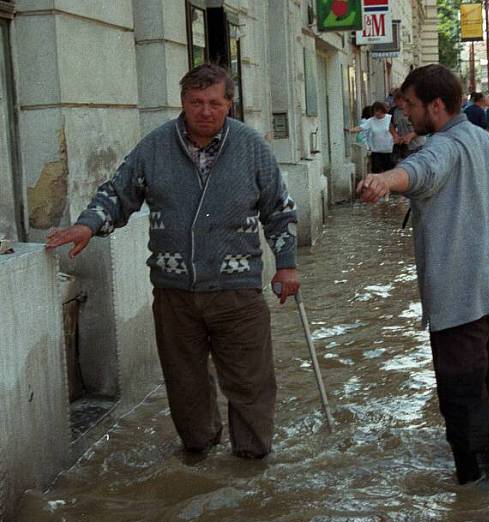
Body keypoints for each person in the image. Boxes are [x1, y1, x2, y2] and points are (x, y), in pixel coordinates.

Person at [44, 64, 299, 459]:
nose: (205, 111)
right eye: (196, 102)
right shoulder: (155, 147)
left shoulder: (252, 148)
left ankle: (251, 466)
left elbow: (279, 211)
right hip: (175, 294)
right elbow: (117, 193)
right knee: (184, 387)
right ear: (182, 102)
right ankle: (200, 455)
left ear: (230, 104)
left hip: (237, 294)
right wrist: (87, 226)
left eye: (215, 102)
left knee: (250, 385)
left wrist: (286, 265)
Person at [355, 64, 489, 485]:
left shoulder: (443, 146)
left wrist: (385, 180)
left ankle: (477, 501)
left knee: (462, 400)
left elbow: (420, 171)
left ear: (435, 106)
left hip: (461, 297)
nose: (403, 112)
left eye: (408, 104)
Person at [350, 101, 395, 173]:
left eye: (379, 111)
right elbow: (361, 127)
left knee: (388, 170)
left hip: (388, 150)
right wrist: (351, 130)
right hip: (376, 150)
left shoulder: (389, 118)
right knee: (376, 170)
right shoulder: (371, 121)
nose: (377, 113)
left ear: (383, 110)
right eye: (375, 111)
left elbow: (395, 131)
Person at [391, 92, 427, 160]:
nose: (400, 103)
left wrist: (411, 135)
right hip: (404, 147)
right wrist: (395, 135)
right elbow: (391, 125)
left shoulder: (416, 109)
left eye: (402, 101)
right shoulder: (394, 111)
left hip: (418, 146)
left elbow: (425, 128)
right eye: (397, 101)